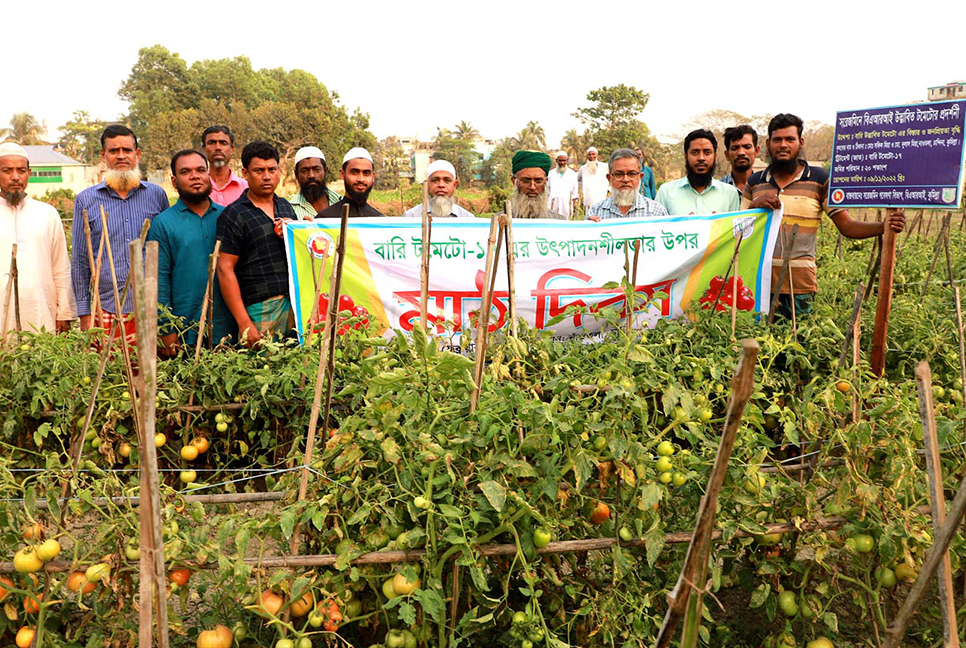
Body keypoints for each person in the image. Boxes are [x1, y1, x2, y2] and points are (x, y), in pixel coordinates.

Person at [743, 113, 905, 318]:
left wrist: (883, 226)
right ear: (768, 143)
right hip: (759, 284)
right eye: (777, 140)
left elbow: (847, 227)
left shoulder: (820, 179)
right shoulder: (755, 182)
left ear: (800, 142)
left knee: (798, 345)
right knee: (758, 344)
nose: (783, 145)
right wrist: (756, 206)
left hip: (800, 286)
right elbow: (739, 231)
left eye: (790, 139)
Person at [71, 124, 169, 337]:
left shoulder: (157, 196)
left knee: (151, 369)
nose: (121, 156)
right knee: (109, 369)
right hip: (105, 305)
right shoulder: (86, 200)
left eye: (127, 150)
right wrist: (84, 312)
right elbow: (80, 259)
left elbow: (167, 251)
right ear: (103, 155)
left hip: (151, 305)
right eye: (114, 151)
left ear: (137, 154)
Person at [147, 150, 235, 357]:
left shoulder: (228, 216)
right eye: (186, 172)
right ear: (174, 182)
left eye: (200, 170)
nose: (195, 176)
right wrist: (166, 329)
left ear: (208, 176)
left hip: (227, 327)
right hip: (183, 329)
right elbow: (159, 281)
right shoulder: (163, 224)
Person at [216, 141, 298, 347]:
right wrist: (244, 323)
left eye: (272, 169)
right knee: (263, 373)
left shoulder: (286, 207)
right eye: (259, 170)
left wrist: (301, 230)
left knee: (297, 371)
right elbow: (224, 269)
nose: (267, 176)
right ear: (245, 173)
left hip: (295, 305)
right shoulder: (235, 214)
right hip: (260, 309)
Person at [0, 142, 75, 334]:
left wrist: (64, 313)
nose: (15, 177)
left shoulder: (47, 214)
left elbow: (61, 267)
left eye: (21, 170)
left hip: (40, 312)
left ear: (29, 173)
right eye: (7, 170)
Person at [655, 129, 740, 215]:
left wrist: (718, 225)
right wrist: (681, 226)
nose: (701, 158)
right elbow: (657, 227)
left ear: (715, 156)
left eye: (707, 152)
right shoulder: (666, 192)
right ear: (685, 157)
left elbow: (735, 228)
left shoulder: (730, 193)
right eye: (695, 152)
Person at [586, 148, 667, 221]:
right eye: (618, 174)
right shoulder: (595, 212)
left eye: (632, 174)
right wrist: (589, 230)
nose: (625, 179)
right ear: (609, 178)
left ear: (640, 177)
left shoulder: (656, 212)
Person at [316, 148, 385, 218]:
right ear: (342, 174)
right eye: (354, 172)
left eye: (366, 173)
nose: (361, 179)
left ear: (373, 177)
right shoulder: (324, 218)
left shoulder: (380, 221)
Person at [402, 160, 475, 219]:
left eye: (447, 180)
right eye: (435, 180)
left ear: (454, 185)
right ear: (427, 185)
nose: (441, 185)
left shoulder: (467, 218)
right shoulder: (411, 217)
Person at [289, 146, 341, 219]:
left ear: (326, 171)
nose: (311, 175)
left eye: (317, 169)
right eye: (304, 171)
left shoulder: (340, 202)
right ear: (296, 175)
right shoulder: (290, 210)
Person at [510, 151, 565, 219]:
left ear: (545, 182)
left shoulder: (559, 223)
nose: (532, 187)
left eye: (538, 181)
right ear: (513, 181)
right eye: (526, 181)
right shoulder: (497, 223)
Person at [202, 125, 248, 206]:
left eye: (223, 143)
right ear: (204, 149)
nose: (218, 147)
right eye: (212, 143)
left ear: (232, 149)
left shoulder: (246, 188)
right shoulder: (197, 188)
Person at [721, 125, 760, 195]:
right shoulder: (718, 190)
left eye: (747, 147)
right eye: (735, 148)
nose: (741, 153)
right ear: (727, 155)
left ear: (756, 151)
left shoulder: (766, 188)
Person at [546, 150, 579, 218]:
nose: (562, 162)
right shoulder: (551, 173)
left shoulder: (572, 174)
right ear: (556, 160)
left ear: (567, 161)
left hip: (567, 203)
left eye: (564, 160)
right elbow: (547, 188)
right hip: (553, 203)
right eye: (560, 160)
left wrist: (574, 203)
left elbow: (575, 190)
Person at [577, 147, 609, 212]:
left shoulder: (605, 166)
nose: (591, 156)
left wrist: (609, 189)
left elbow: (612, 177)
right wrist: (583, 187)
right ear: (587, 156)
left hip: (602, 195)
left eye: (593, 154)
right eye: (589, 154)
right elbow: (578, 180)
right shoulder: (583, 168)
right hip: (588, 196)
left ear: (597, 155)